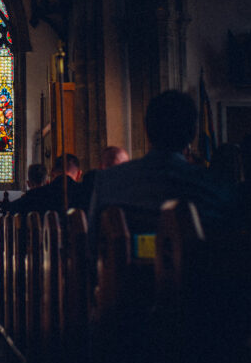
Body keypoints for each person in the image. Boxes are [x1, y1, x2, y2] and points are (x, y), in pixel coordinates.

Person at [89, 90, 233, 246]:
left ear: (146, 129)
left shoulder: (108, 181)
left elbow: (92, 245)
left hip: (126, 270)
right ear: (193, 133)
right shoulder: (217, 185)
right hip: (196, 269)